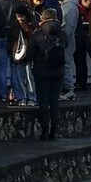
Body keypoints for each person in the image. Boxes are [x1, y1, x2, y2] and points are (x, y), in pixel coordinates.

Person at [27, 8, 68, 140]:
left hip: (42, 70)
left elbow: (30, 53)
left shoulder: (38, 33)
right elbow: (65, 45)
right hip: (58, 70)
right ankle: (54, 131)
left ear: (42, 18)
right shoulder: (62, 33)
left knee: (43, 100)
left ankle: (44, 130)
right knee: (54, 101)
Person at [53, 0, 80, 99]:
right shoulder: (66, 5)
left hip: (67, 40)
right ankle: (67, 89)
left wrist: (63, 39)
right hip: (66, 39)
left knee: (65, 64)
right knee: (64, 64)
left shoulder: (70, 7)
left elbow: (69, 26)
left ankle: (69, 89)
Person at [75, 0, 91, 91]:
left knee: (81, 61)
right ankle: (80, 82)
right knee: (80, 61)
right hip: (80, 38)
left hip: (86, 37)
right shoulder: (77, 9)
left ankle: (82, 83)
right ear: (85, 0)